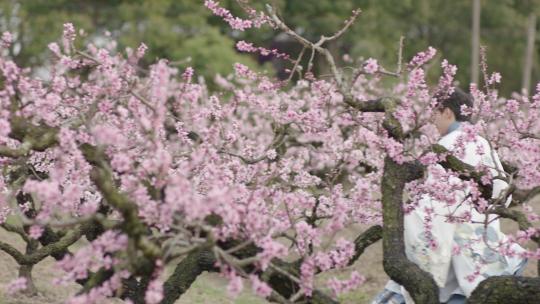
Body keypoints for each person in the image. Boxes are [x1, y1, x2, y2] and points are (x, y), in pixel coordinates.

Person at [371, 88, 528, 304]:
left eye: (436, 112)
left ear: (447, 113)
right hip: (480, 227)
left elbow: (434, 195)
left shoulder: (444, 146)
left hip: (447, 229)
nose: (432, 120)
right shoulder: (482, 142)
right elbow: (503, 193)